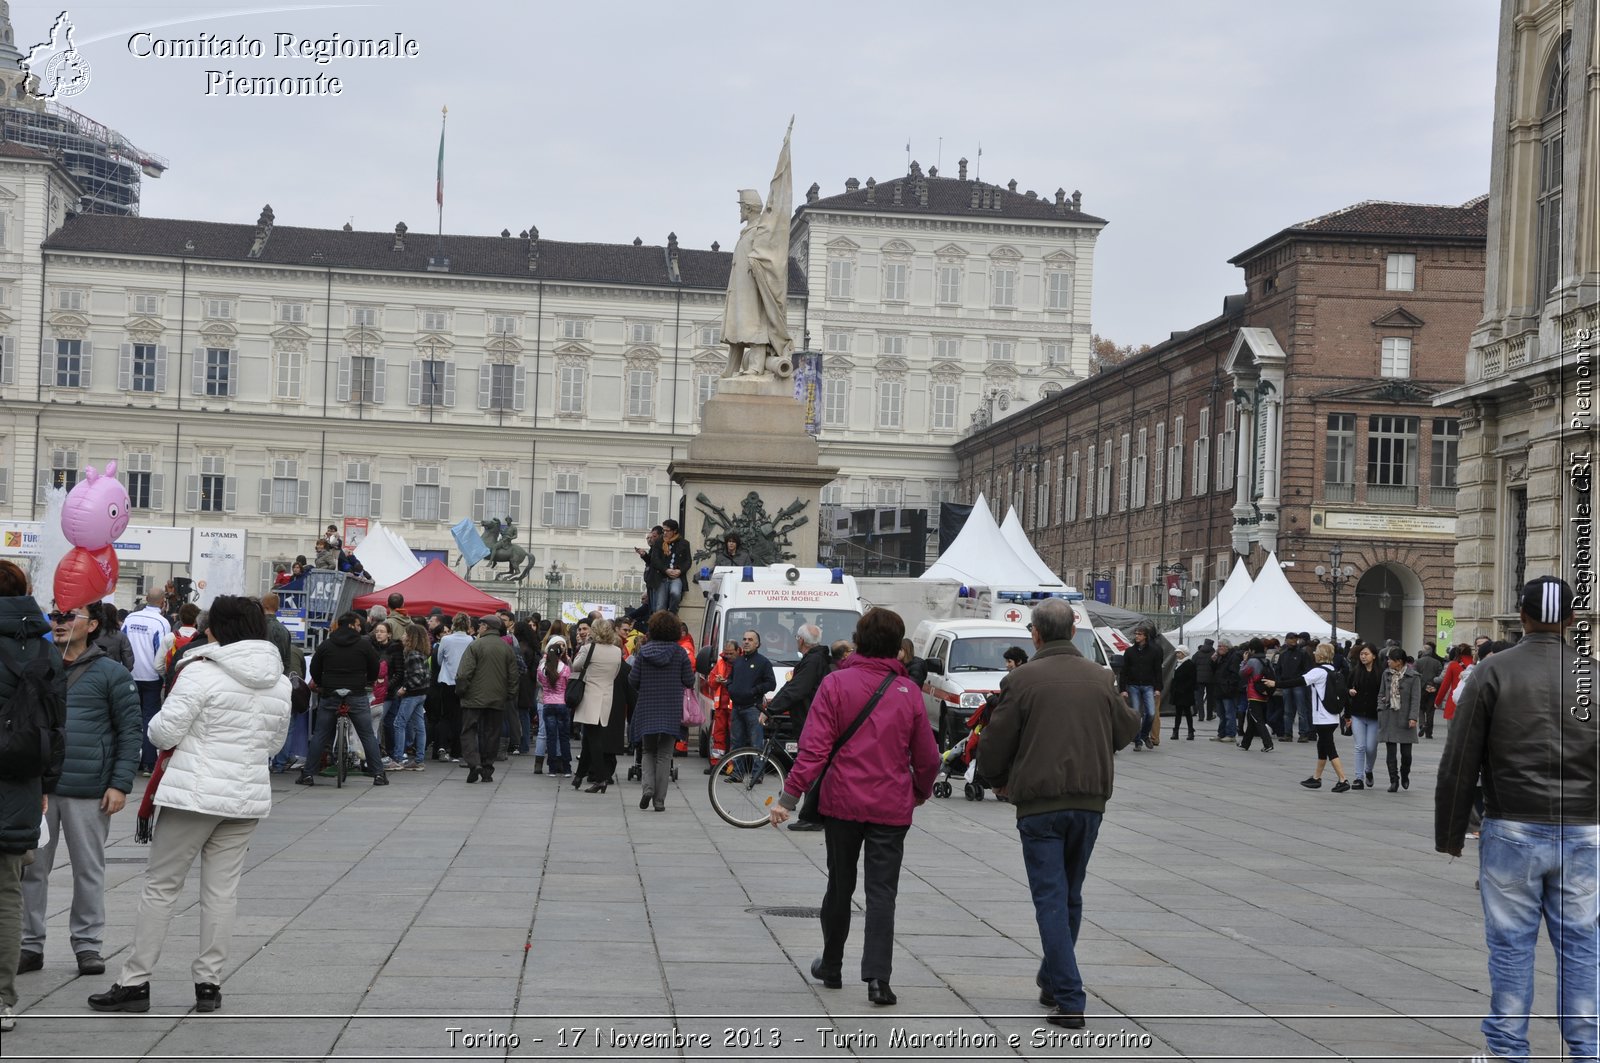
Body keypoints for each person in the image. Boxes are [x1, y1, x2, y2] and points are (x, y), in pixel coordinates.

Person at [87, 595, 291, 1015]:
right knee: (221, 891)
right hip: (245, 796)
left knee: (162, 887)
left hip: (193, 794)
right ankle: (208, 985)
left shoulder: (201, 671)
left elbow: (162, 733)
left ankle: (135, 981)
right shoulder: (280, 680)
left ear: (219, 629)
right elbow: (274, 744)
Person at [1436, 577, 1598, 1063]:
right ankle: (1589, 1050)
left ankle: (1508, 1052)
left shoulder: (1492, 671)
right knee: (1582, 947)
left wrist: (1451, 832)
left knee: (1510, 947)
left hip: (1512, 826)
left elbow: (1461, 755)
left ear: (1521, 616)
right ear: (1572, 619)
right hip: (1584, 827)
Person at [977, 598, 1138, 1028]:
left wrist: (994, 778)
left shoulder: (1023, 678)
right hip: (1089, 801)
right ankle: (1052, 980)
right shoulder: (1101, 677)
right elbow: (1127, 728)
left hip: (1040, 804)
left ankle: (1069, 998)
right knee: (1070, 892)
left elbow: (996, 740)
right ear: (1073, 631)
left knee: (1051, 896)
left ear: (1036, 634)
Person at [769, 607, 939, 1008]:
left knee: (839, 885)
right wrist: (919, 790)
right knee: (882, 894)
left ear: (859, 642)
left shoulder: (836, 684)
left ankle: (831, 964)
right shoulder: (908, 692)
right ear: (898, 649)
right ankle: (879, 980)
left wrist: (788, 799)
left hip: (843, 802)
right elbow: (928, 758)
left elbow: (813, 750)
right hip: (891, 806)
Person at [18, 602, 139, 978]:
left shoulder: (111, 673)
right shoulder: (35, 667)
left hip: (88, 787)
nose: (59, 622)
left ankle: (88, 945)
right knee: (32, 870)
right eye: (55, 616)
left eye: (69, 617)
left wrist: (119, 783)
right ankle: (28, 944)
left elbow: (130, 731)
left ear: (93, 625)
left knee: (88, 870)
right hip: (37, 786)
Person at [0, 561, 66, 1034]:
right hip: (20, 780)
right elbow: (57, 730)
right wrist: (45, 785)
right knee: (7, 897)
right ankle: (2, 1000)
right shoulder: (47, 651)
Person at [299, 612, 385, 787]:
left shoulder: (327, 644)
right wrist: (367, 680)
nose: (361, 627)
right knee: (367, 734)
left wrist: (323, 684)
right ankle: (379, 774)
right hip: (357, 693)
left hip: (331, 693)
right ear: (353, 625)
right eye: (358, 625)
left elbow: (315, 668)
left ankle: (308, 774)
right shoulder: (364, 645)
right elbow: (374, 668)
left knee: (321, 734)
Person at [764, 623, 831, 832]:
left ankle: (812, 816)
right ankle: (812, 814)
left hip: (811, 720)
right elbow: (793, 686)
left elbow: (797, 688)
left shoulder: (813, 661)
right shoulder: (814, 659)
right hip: (808, 718)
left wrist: (771, 709)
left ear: (801, 640)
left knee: (810, 767)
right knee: (812, 767)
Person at [629, 611, 695, 811]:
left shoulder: (644, 652)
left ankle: (647, 789)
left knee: (648, 750)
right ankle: (659, 801)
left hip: (647, 707)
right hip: (671, 708)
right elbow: (689, 681)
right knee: (665, 755)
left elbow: (632, 680)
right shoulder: (680, 653)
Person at [1267, 643, 1351, 792]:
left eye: (1317, 652)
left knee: (1330, 748)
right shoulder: (1333, 670)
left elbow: (1298, 681)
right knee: (1322, 747)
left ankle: (1343, 779)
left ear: (1321, 655)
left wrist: (1276, 683)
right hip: (1332, 716)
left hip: (1322, 717)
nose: (1314, 654)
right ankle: (1316, 778)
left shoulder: (1318, 671)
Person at [453, 616, 518, 784]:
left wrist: (461, 691)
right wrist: (509, 695)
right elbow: (513, 676)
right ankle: (487, 768)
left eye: (481, 625)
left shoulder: (475, 645)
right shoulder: (507, 648)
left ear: (486, 627)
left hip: (473, 698)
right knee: (492, 734)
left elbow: (463, 673)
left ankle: (474, 764)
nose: (479, 627)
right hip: (497, 698)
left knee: (468, 731)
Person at [571, 619, 628, 792]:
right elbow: (615, 673)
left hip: (589, 696)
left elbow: (575, 665)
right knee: (589, 737)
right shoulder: (616, 651)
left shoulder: (589, 648)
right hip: (606, 696)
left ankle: (601, 778)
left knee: (593, 739)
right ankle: (579, 776)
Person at [122, 589, 172, 775]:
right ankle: (148, 762)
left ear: (146, 599)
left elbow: (123, 643)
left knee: (130, 718)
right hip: (152, 676)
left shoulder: (130, 618)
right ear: (162, 603)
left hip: (130, 674)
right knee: (149, 718)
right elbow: (162, 650)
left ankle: (129, 760)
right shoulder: (162, 622)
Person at [726, 630, 776, 762]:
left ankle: (756, 776)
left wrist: (754, 691)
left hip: (753, 708)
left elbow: (771, 684)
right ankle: (736, 773)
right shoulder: (738, 662)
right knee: (736, 743)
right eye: (744, 639)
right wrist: (730, 688)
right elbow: (730, 679)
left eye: (750, 639)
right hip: (737, 708)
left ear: (758, 644)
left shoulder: (763, 662)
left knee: (756, 745)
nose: (746, 642)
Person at [1377, 647, 1421, 793]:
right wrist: (1381, 707)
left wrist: (1413, 717)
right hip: (1389, 716)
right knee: (1390, 752)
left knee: (1406, 754)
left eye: (1390, 659)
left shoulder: (1414, 676)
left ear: (1399, 662)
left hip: (1406, 718)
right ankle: (1393, 780)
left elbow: (1416, 699)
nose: (1388, 661)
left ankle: (1405, 774)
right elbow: (1381, 693)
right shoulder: (1386, 673)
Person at [432, 614, 473, 762]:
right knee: (461, 717)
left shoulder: (445, 639)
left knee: (446, 715)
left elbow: (439, 659)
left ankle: (442, 746)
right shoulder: (471, 640)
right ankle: (457, 750)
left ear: (454, 624)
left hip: (446, 680)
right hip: (464, 682)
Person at [390, 623, 430, 770]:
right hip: (422, 694)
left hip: (413, 694)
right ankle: (419, 760)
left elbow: (417, 676)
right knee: (419, 726)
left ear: (411, 637)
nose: (403, 636)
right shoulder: (421, 653)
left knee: (399, 723)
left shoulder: (412, 654)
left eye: (405, 634)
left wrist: (404, 688)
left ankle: (398, 759)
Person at [1118, 626, 1162, 751]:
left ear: (1145, 637)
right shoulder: (1130, 652)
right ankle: (1137, 741)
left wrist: (1158, 688)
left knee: (1151, 713)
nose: (1137, 636)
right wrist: (1123, 689)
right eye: (1136, 634)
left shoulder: (1154, 651)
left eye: (1140, 634)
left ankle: (1144, 734)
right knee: (1136, 714)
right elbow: (1124, 671)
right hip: (1133, 686)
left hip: (1148, 685)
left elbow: (1158, 671)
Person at [1347, 644, 1382, 789]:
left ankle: (1368, 770)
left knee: (1371, 748)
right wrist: (1349, 692)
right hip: (1358, 714)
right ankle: (1358, 778)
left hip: (1375, 716)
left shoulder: (1381, 673)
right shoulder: (1355, 672)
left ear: (1374, 656)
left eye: (1366, 654)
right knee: (1360, 746)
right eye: (1361, 654)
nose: (1363, 656)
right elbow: (1346, 690)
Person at [536, 641, 572, 778]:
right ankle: (567, 768)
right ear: (560, 654)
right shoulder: (565, 668)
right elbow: (568, 684)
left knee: (551, 737)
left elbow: (540, 683)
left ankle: (551, 769)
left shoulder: (541, 669)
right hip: (562, 704)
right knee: (564, 737)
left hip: (547, 704)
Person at [1236, 638, 1276, 753]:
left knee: (1257, 720)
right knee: (1251, 720)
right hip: (1264, 693)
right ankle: (1245, 744)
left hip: (1254, 694)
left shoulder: (1252, 661)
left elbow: (1243, 673)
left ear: (1252, 650)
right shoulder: (1266, 661)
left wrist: (1244, 661)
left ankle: (1268, 744)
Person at [647, 520, 692, 614]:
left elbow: (688, 561)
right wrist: (665, 570)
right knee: (660, 606)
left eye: (667, 531)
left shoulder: (684, 543)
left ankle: (672, 614)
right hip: (662, 577)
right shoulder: (659, 542)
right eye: (664, 530)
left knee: (675, 593)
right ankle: (660, 624)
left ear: (674, 531)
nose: (665, 533)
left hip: (676, 576)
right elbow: (655, 559)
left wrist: (680, 571)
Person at [1277, 632, 1313, 741]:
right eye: (1291, 638)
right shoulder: (1283, 654)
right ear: (1286, 640)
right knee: (1288, 710)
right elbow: (1278, 669)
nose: (1294, 640)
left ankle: (1303, 733)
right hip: (1287, 684)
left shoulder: (1302, 653)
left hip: (1298, 684)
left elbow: (1307, 669)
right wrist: (1280, 681)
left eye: (1295, 639)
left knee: (1301, 710)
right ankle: (1288, 733)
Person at [1414, 642, 1444, 739]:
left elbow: (1415, 675)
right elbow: (1441, 676)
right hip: (1433, 688)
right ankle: (1429, 732)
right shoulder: (1437, 662)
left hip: (1421, 688)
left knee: (1421, 708)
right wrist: (1434, 685)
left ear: (1423, 651)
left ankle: (1422, 724)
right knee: (1430, 710)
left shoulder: (1418, 662)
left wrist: (1423, 685)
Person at [1166, 646, 1196, 740]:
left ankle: (1190, 731)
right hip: (1178, 692)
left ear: (1184, 654)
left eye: (1179, 653)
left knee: (1187, 712)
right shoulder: (1178, 663)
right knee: (1178, 713)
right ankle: (1176, 731)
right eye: (1177, 653)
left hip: (1186, 692)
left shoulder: (1190, 664)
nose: (1177, 654)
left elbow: (1192, 679)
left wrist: (1184, 689)